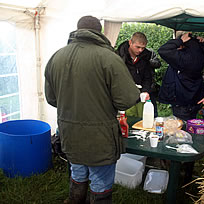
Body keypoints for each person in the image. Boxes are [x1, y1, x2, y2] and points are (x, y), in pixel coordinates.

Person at [44, 16, 140, 204]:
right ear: (100, 32)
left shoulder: (56, 56)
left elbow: (51, 98)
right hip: (100, 136)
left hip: (69, 132)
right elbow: (127, 100)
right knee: (100, 180)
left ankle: (74, 201)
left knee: (78, 171)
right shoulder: (109, 58)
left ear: (78, 31)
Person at [158, 32, 204, 121]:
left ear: (183, 45)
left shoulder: (182, 57)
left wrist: (180, 40)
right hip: (196, 97)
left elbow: (163, 50)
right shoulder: (200, 53)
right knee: (191, 123)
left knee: (182, 130)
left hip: (181, 100)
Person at [116, 32, 161, 117]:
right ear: (130, 43)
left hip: (141, 96)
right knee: (127, 122)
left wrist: (146, 91)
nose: (140, 50)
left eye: (143, 48)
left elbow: (148, 77)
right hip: (126, 96)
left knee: (143, 121)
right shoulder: (119, 56)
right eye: (138, 47)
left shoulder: (146, 56)